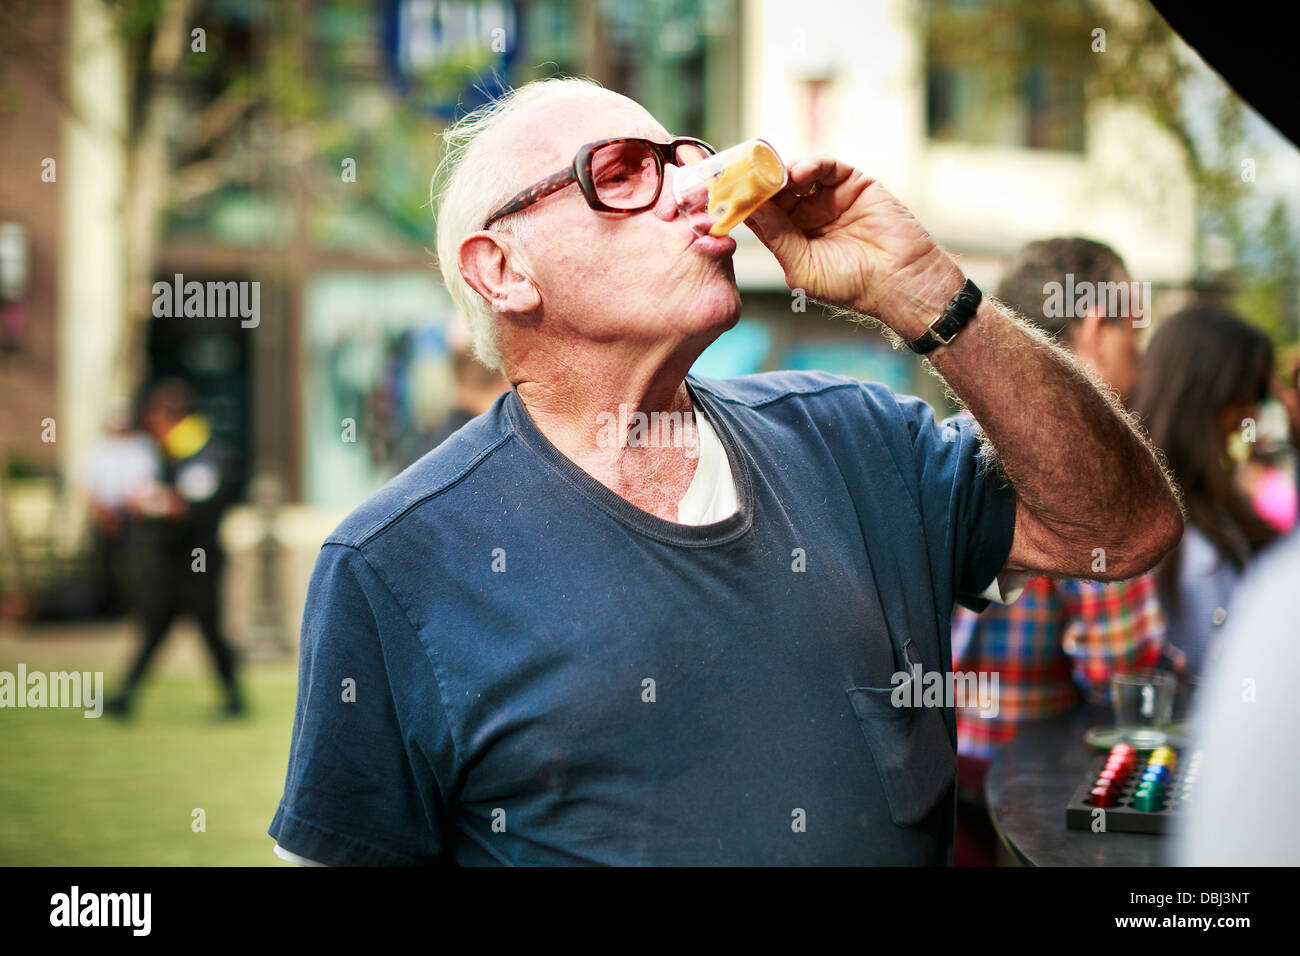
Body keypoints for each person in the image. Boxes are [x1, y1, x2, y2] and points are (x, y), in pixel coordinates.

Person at [269, 77, 1182, 866]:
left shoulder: (855, 438)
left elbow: (1121, 530)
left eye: (685, 156)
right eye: (623, 171)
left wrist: (926, 294)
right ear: (501, 269)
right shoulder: (393, 566)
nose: (696, 188)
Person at [948, 238, 1182, 865]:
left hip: (939, 782)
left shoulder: (948, 441)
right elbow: (1121, 675)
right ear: (1098, 329)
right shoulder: (1094, 470)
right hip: (1033, 805)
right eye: (1136, 335)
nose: (1140, 359)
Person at [1132, 306, 1281, 682]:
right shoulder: (1126, 512)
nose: (1255, 415)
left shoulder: (1221, 505)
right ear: (1203, 392)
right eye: (1249, 394)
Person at [104, 379, 246, 719]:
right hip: (178, 563)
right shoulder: (179, 450)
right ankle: (126, 696)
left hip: (197, 564)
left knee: (204, 631)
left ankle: (233, 699)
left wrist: (158, 503)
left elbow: (196, 506)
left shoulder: (201, 452)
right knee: (159, 629)